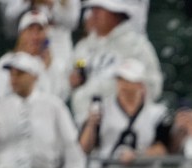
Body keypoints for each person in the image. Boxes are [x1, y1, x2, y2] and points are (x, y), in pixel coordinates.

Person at [78, 58, 172, 168]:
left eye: (128, 80)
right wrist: (91, 124)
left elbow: (162, 148)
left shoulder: (157, 113)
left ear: (140, 84)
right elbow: (84, 147)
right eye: (120, 79)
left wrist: (138, 156)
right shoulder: (102, 109)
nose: (123, 85)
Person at [69, 0, 163, 128]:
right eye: (93, 9)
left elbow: (153, 85)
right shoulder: (84, 46)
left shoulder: (136, 45)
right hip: (82, 123)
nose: (94, 14)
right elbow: (78, 67)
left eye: (100, 9)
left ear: (116, 14)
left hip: (120, 125)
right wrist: (75, 79)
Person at [0, 10, 71, 101]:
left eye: (39, 30)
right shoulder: (7, 62)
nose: (35, 36)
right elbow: (0, 96)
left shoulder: (54, 64)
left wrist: (48, 69)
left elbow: (60, 98)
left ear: (46, 35)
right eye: (30, 30)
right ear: (21, 34)